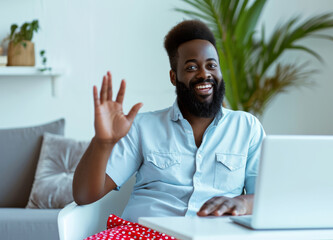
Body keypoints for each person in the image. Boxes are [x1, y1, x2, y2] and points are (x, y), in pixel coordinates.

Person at [73, 20, 265, 239]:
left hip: (215, 234)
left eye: (212, 65)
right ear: (174, 77)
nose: (204, 74)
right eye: (192, 67)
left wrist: (241, 202)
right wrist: (102, 142)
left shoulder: (247, 127)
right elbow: (84, 196)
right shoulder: (143, 127)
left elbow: (265, 197)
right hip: (143, 233)